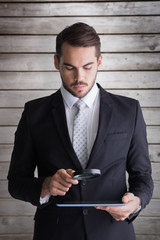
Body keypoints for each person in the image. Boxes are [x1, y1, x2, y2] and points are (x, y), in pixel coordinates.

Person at [8, 22, 153, 240]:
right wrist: (46, 185)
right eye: (69, 67)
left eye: (87, 67)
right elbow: (16, 182)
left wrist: (136, 202)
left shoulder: (129, 110)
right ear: (56, 62)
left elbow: (142, 176)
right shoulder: (33, 113)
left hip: (113, 233)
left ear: (100, 61)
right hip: (54, 234)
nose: (79, 78)